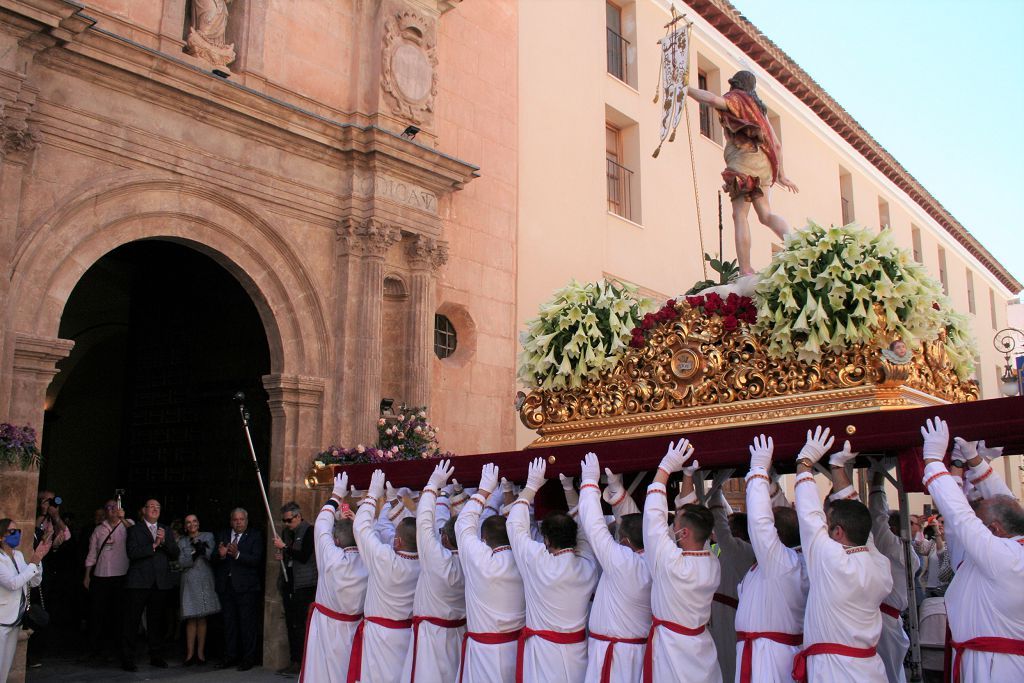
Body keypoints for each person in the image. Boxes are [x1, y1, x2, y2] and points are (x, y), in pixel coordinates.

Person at [920, 420, 1024, 682]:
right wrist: (973, 461)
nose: (977, 524)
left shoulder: (1005, 558)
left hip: (997, 668)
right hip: (982, 659)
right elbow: (1007, 505)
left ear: (996, 530)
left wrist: (933, 461)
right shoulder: (1009, 547)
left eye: (983, 523)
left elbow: (961, 518)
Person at [790, 426, 892, 682]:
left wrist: (805, 462)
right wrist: (837, 468)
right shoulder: (879, 564)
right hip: (869, 667)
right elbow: (859, 520)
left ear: (836, 532)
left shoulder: (831, 561)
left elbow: (809, 515)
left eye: (828, 523)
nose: (822, 526)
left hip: (834, 671)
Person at [686, 70, 798, 275]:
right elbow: (777, 145)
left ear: (735, 84)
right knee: (765, 215)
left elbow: (711, 100)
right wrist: (782, 175)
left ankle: (745, 269)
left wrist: (686, 90)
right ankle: (795, 242)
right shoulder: (759, 110)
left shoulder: (736, 99)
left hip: (743, 163)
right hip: (764, 165)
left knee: (740, 215)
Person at [507, 457, 599, 683]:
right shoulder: (588, 566)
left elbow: (514, 525)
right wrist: (569, 488)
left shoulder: (537, 560)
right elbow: (586, 532)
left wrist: (531, 486)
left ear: (546, 540)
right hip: (577, 652)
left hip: (543, 653)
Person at [643, 439, 721, 683]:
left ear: (683, 533)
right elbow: (693, 521)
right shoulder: (712, 562)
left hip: (672, 651)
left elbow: (653, 517)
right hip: (701, 647)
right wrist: (687, 475)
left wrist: (665, 468)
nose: (671, 527)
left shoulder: (671, 563)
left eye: (674, 525)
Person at [734, 435, 807, 683]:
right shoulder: (786, 560)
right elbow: (781, 519)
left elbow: (761, 523)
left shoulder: (783, 564)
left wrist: (758, 472)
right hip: (758, 652)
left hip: (771, 658)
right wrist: (771, 484)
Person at [578, 453, 652, 683]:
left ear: (625, 542)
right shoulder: (658, 557)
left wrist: (589, 483)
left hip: (613, 655)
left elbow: (594, 526)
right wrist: (618, 495)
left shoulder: (622, 562)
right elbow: (641, 526)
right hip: (636, 651)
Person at [348, 469, 420, 683]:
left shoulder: (384, 559)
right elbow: (387, 529)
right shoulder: (428, 561)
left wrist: (372, 495)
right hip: (407, 634)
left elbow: (362, 528)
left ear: (397, 542)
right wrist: (391, 501)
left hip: (380, 636)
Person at [455, 463, 526, 683]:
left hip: (484, 652)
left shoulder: (480, 560)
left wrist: (484, 490)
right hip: (518, 650)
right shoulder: (528, 557)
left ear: (484, 540)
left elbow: (463, 525)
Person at [399, 460, 467, 682]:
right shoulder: (475, 561)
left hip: (432, 637)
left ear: (445, 538)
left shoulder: (437, 559)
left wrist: (433, 485)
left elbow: (425, 524)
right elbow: (431, 524)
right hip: (458, 634)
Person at [299, 472, 367, 683]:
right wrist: (362, 505)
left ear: (336, 540)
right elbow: (373, 534)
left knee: (321, 673)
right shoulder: (371, 560)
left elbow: (321, 526)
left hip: (326, 627)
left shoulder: (331, 558)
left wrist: (336, 495)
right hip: (354, 629)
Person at [865, 460, 920, 683]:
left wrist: (876, 480)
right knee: (890, 672)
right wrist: (876, 478)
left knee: (889, 672)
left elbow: (878, 517)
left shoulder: (897, 548)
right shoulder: (895, 547)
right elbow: (879, 518)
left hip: (888, 620)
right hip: (887, 618)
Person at [706, 470, 755, 683]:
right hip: (719, 614)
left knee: (729, 664)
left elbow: (722, 528)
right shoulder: (732, 551)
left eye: (731, 527)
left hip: (730, 616)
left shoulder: (744, 551)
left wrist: (715, 491)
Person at [121, 499, 180, 672]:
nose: (155, 509)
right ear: (143, 510)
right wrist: (153, 546)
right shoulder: (134, 529)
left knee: (156, 622)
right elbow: (132, 553)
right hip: (139, 581)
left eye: (158, 507)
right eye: (151, 507)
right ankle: (127, 658)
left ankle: (156, 656)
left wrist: (163, 543)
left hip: (159, 582)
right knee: (132, 621)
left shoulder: (166, 529)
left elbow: (175, 553)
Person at [213, 507, 263, 672]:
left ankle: (248, 658)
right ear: (231, 521)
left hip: (246, 588)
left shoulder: (255, 535)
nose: (239, 522)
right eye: (235, 519)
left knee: (247, 624)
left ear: (246, 521)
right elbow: (213, 557)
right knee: (229, 624)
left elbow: (256, 559)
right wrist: (220, 555)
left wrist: (237, 555)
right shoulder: (223, 534)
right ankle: (230, 656)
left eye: (242, 519)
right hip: (226, 587)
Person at [1, 518, 51, 681]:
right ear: (1, 535)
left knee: (5, 667)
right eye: (12, 531)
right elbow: (13, 583)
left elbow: (33, 581)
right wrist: (33, 562)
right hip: (2, 619)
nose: (17, 535)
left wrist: (39, 559)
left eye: (18, 531)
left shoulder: (18, 555)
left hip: (15, 619)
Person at [82, 500, 129, 663]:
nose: (111, 510)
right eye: (108, 508)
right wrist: (87, 574)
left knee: (118, 614)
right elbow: (92, 553)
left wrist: (122, 518)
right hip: (101, 575)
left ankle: (117, 649)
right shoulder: (99, 529)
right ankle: (96, 649)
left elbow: (138, 535)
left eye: (114, 507)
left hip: (120, 574)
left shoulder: (127, 524)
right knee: (97, 614)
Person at [275, 502, 316, 677]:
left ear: (298, 516)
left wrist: (284, 548)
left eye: (289, 520)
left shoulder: (309, 531)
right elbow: (290, 555)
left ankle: (302, 661)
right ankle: (294, 660)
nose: (286, 524)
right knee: (291, 624)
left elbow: (304, 556)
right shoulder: (287, 532)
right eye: (284, 521)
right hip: (289, 581)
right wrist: (282, 554)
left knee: (300, 625)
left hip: (304, 584)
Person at [177, 514, 219, 666]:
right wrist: (194, 554)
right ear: (185, 526)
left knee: (202, 617)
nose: (191, 524)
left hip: (204, 579)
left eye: (194, 521)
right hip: (189, 580)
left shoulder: (208, 536)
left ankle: (200, 654)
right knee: (190, 617)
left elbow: (212, 555)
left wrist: (203, 550)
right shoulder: (182, 541)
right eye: (188, 522)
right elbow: (181, 562)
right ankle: (189, 655)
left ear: (198, 523)